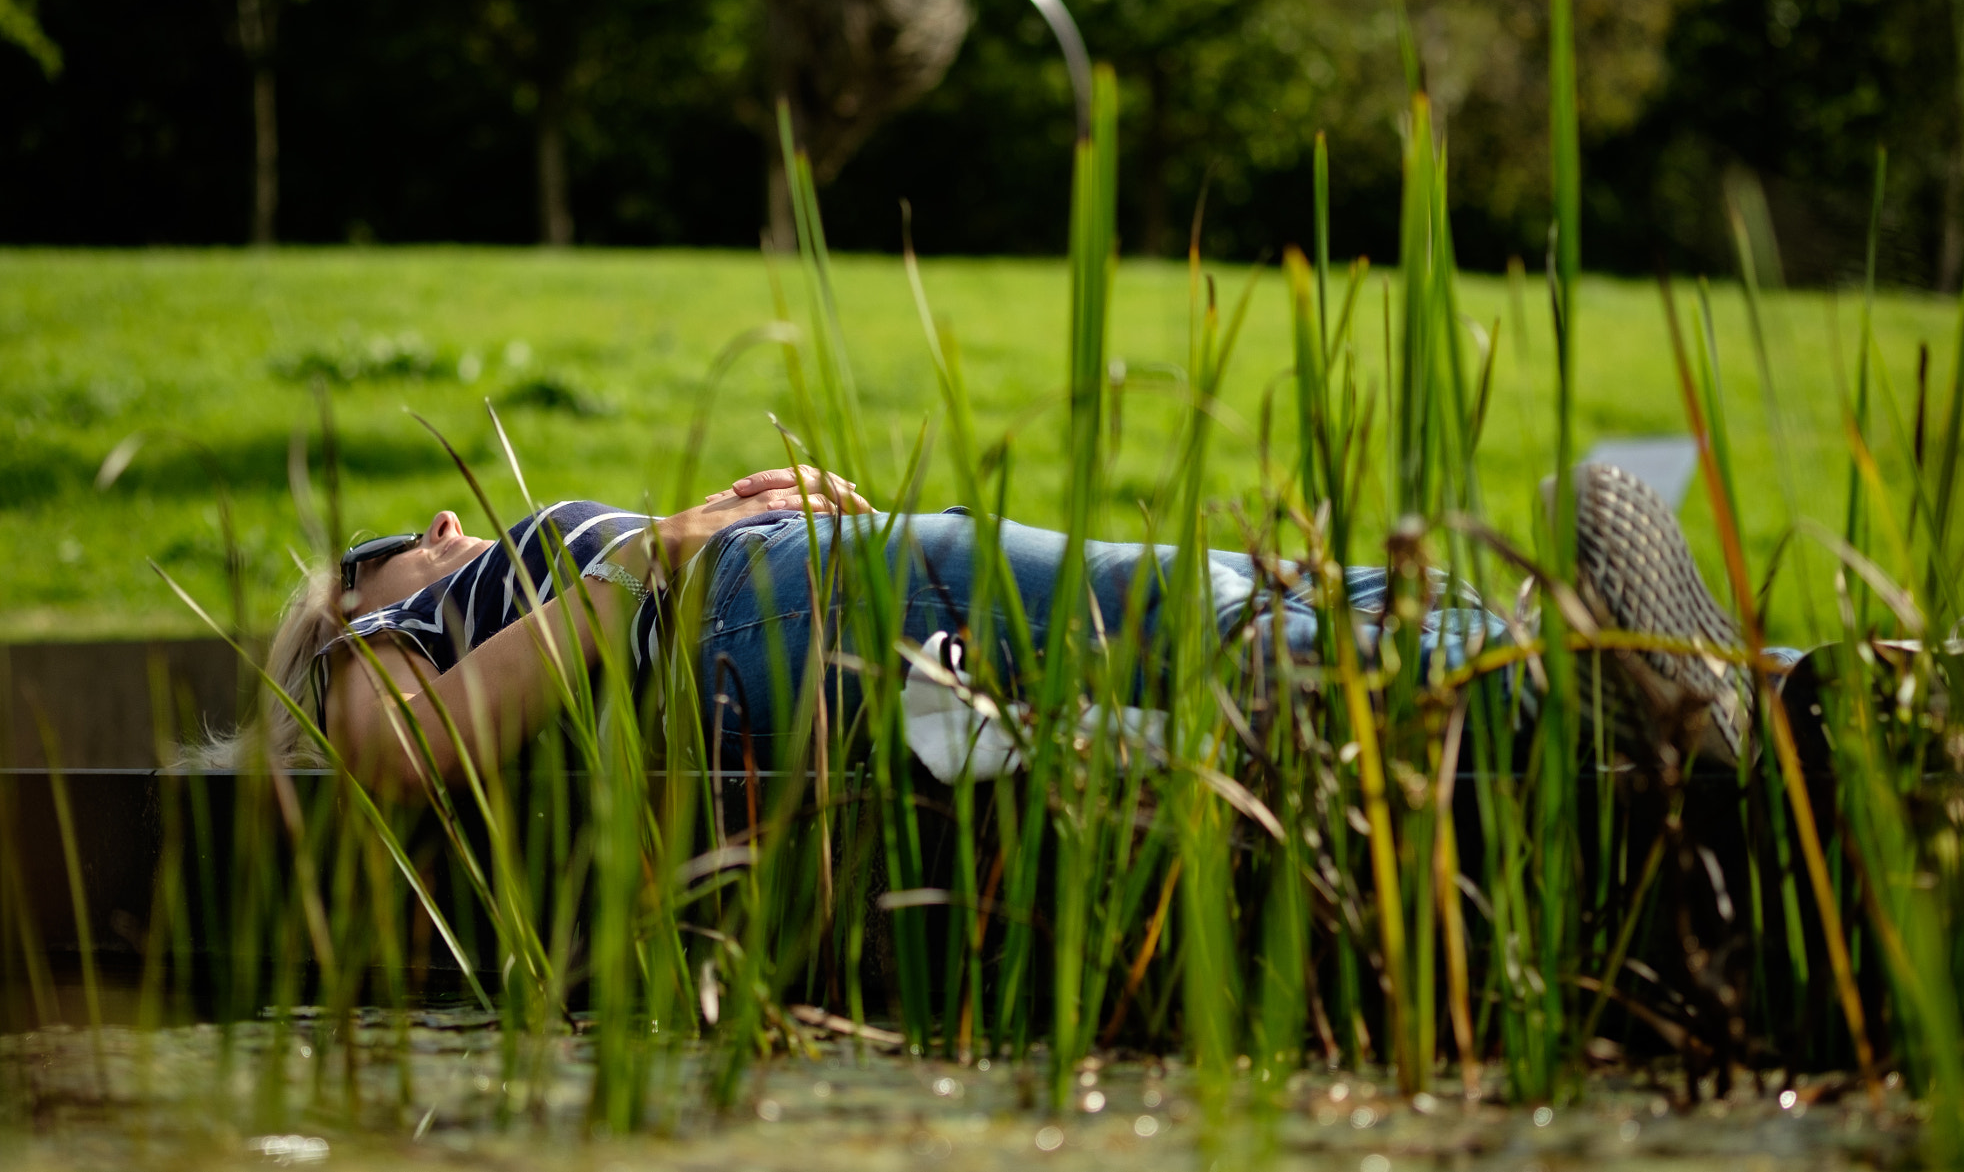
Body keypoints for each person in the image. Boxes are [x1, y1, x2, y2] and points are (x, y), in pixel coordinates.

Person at [254, 462, 1754, 791]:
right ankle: (1574, 690)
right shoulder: (414, 638)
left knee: (1214, 599)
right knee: (1178, 613)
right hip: (782, 617)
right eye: (389, 551)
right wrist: (657, 549)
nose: (439, 534)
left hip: (794, 598)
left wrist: (716, 513)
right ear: (345, 628)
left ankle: (1677, 682)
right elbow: (404, 753)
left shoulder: (490, 591)